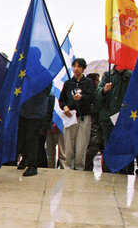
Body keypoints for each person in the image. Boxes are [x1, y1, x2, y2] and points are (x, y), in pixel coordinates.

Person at [17, 49, 51, 177]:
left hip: (36, 112)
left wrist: (32, 92)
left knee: (32, 139)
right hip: (24, 110)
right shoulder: (25, 72)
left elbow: (45, 92)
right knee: (22, 137)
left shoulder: (44, 73)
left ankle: (32, 165)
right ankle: (25, 159)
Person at [59, 58, 95, 170]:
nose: (76, 69)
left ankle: (79, 168)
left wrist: (82, 97)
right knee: (69, 147)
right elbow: (62, 100)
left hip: (84, 117)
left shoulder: (88, 82)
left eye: (79, 66)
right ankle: (69, 168)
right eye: (74, 66)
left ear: (83, 69)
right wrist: (65, 107)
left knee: (81, 147)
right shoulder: (68, 83)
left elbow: (92, 97)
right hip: (70, 118)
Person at [96, 66, 133, 174]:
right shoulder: (107, 75)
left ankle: (123, 171)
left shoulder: (130, 76)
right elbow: (98, 96)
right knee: (108, 146)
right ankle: (107, 171)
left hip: (124, 119)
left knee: (123, 147)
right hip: (108, 118)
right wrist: (104, 90)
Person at [84, 72, 103, 171]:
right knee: (93, 147)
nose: (98, 82)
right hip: (93, 123)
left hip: (99, 123)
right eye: (96, 80)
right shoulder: (91, 92)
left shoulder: (97, 91)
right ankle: (85, 166)